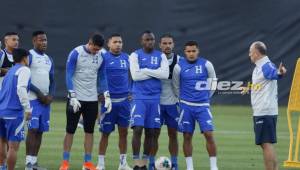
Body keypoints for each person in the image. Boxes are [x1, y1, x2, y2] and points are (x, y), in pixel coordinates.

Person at [59, 34, 112, 170]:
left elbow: (102, 76)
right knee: (70, 130)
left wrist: (106, 94)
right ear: (89, 43)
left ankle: (87, 162)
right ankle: (65, 162)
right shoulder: (76, 53)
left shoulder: (102, 55)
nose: (95, 52)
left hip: (92, 99)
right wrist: (72, 95)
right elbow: (68, 74)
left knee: (90, 131)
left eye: (98, 50)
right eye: (94, 49)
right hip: (76, 98)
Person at [172, 41, 218, 170]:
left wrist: (206, 97)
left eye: (193, 51)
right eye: (188, 51)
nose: (191, 54)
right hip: (186, 106)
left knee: (209, 134)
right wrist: (182, 100)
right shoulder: (179, 67)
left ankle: (214, 167)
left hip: (202, 106)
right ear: (185, 52)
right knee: (187, 135)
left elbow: (213, 82)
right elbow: (176, 86)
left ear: (198, 51)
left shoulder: (206, 64)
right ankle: (189, 167)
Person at [242, 41, 287, 170]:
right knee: (266, 144)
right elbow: (262, 82)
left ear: (256, 53)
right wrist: (249, 88)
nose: (249, 54)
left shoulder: (266, 65)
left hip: (265, 111)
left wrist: (281, 73)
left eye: (250, 52)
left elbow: (274, 74)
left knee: (266, 144)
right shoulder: (259, 67)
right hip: (263, 110)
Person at [129, 30, 169, 170]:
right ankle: (135, 163)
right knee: (138, 129)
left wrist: (145, 70)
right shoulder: (135, 55)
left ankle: (144, 164)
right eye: (147, 39)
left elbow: (165, 74)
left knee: (151, 132)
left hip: (155, 98)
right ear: (142, 41)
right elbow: (135, 76)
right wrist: (154, 72)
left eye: (152, 39)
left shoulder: (161, 55)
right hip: (139, 97)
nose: (150, 42)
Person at [96, 34, 132, 170]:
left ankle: (123, 163)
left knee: (124, 133)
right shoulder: (102, 58)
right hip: (108, 102)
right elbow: (95, 75)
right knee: (105, 133)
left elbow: (134, 75)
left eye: (120, 42)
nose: (118, 44)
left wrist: (132, 91)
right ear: (108, 44)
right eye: (115, 42)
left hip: (124, 103)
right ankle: (100, 164)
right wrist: (99, 92)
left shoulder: (127, 58)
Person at [149, 34, 180, 170]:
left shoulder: (180, 61)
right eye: (164, 43)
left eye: (170, 43)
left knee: (173, 134)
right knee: (154, 134)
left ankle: (174, 164)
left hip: (173, 104)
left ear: (173, 45)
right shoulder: (153, 59)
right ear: (160, 45)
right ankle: (150, 164)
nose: (167, 46)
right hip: (156, 103)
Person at [25, 31, 55, 170]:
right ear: (34, 41)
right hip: (32, 99)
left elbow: (53, 80)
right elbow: (25, 78)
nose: (44, 43)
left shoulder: (49, 59)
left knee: (41, 130)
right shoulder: (29, 56)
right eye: (40, 40)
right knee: (33, 129)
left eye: (46, 40)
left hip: (45, 102)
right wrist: (39, 94)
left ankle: (34, 162)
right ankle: (28, 163)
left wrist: (51, 96)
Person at [0, 48, 32, 170]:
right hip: (13, 113)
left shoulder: (9, 71)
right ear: (25, 58)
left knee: (2, 142)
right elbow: (21, 89)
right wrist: (28, 108)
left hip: (1, 111)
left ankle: (2, 167)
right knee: (13, 147)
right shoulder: (24, 69)